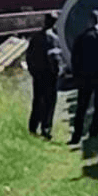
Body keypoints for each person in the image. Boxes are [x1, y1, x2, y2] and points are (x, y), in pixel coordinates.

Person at [69, 9, 98, 144]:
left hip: (84, 77)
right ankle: (93, 133)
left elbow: (75, 60)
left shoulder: (81, 38)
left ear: (89, 21)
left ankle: (76, 135)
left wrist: (75, 76)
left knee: (81, 107)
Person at [25, 11, 62, 140]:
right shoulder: (54, 39)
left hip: (38, 75)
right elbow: (55, 59)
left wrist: (33, 71)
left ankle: (33, 127)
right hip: (50, 76)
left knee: (37, 101)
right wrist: (57, 72)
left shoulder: (35, 38)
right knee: (50, 102)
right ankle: (46, 129)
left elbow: (28, 57)